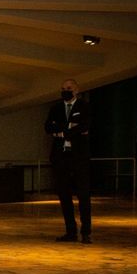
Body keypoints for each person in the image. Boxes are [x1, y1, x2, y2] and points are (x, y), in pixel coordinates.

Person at [44, 78, 91, 244]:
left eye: (69, 88)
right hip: (61, 157)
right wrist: (68, 129)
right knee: (64, 196)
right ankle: (70, 231)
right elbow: (48, 127)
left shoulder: (84, 107)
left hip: (79, 158)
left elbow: (84, 126)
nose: (66, 90)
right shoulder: (56, 108)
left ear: (76, 90)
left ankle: (86, 232)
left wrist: (63, 132)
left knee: (83, 195)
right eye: (63, 88)